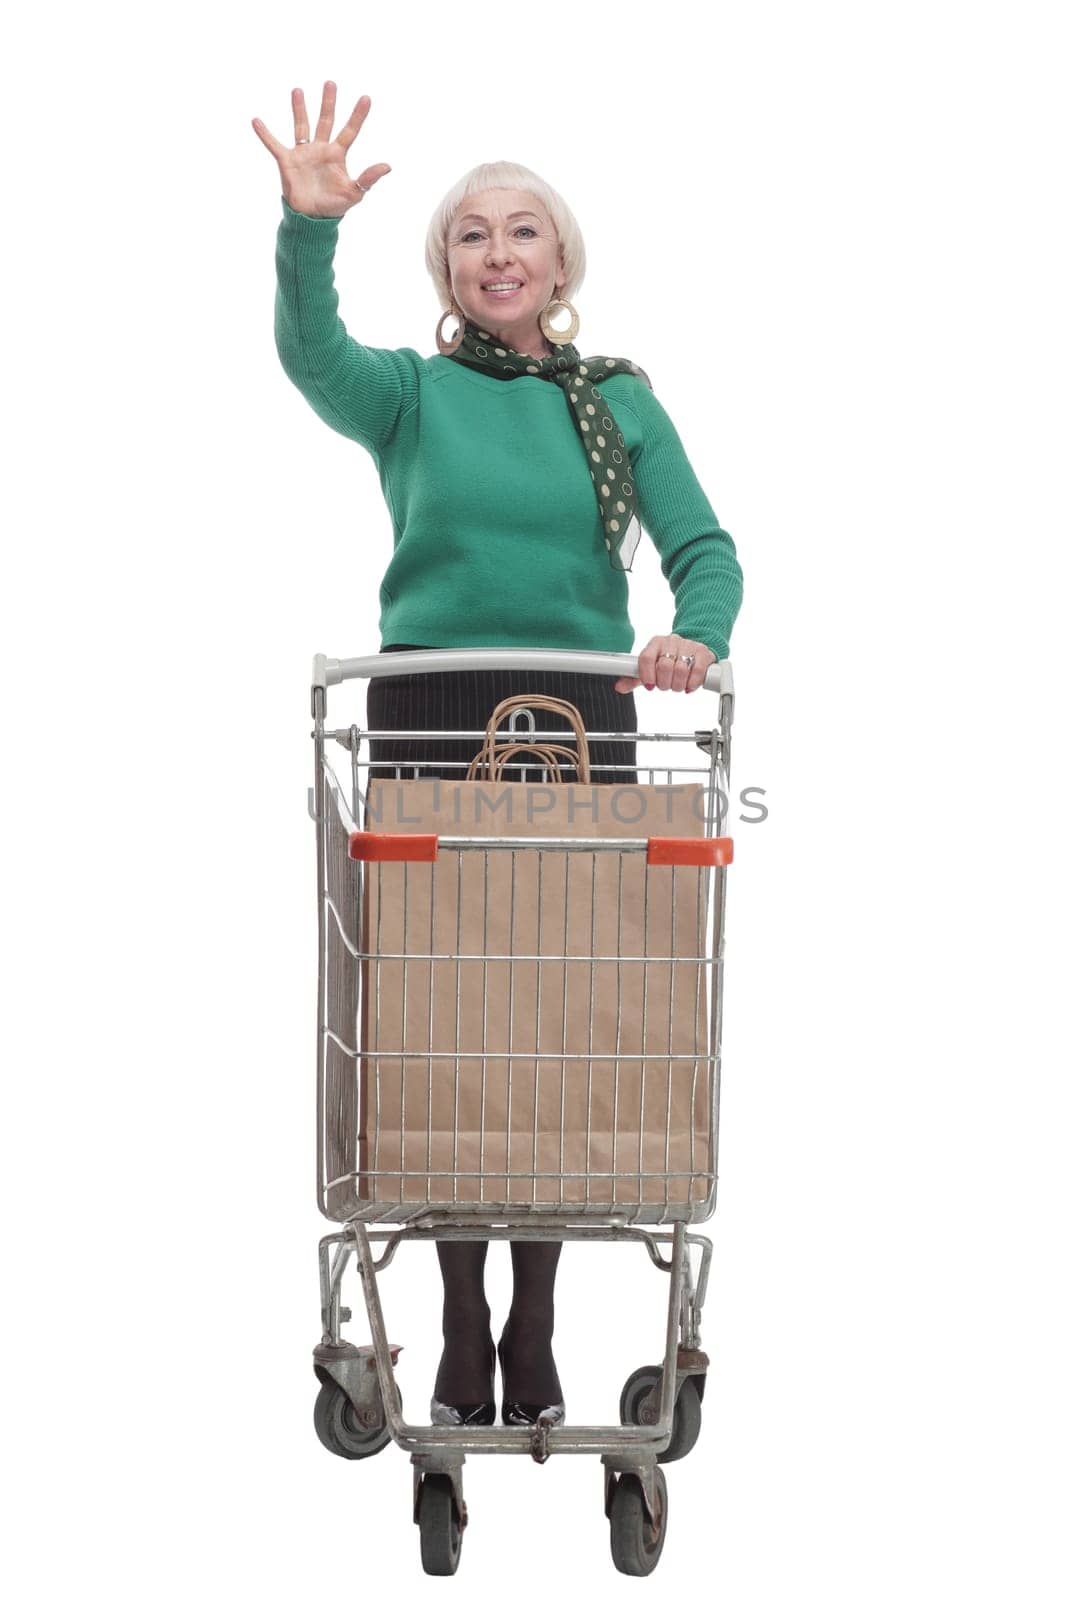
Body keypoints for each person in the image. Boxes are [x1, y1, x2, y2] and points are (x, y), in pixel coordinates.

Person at [253, 82, 743, 1431]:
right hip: (427, 705)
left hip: (582, 712)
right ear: (450, 270)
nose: (499, 252)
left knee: (556, 1009)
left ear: (562, 261)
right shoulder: (407, 396)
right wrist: (307, 232)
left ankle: (534, 1316)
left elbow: (705, 550)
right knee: (442, 1008)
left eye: (523, 230)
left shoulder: (617, 400)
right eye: (471, 235)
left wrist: (692, 639)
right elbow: (311, 356)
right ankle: (462, 1315)